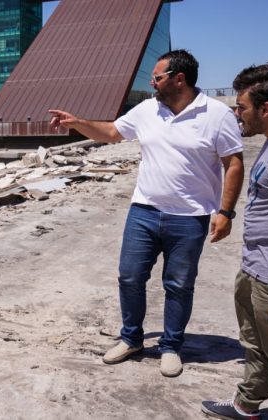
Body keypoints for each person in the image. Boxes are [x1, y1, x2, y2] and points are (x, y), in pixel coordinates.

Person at [49, 49, 245, 377]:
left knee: (179, 284)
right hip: (144, 211)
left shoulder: (216, 114)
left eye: (157, 77)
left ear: (178, 79)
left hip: (190, 217)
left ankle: (171, 346)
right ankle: (131, 339)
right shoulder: (148, 110)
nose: (152, 83)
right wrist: (77, 123)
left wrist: (225, 212)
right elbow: (112, 133)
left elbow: (233, 162)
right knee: (129, 277)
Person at [201, 64, 268, 419]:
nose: (237, 114)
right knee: (254, 345)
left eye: (242, 107)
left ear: (266, 109)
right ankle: (247, 405)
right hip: (257, 269)